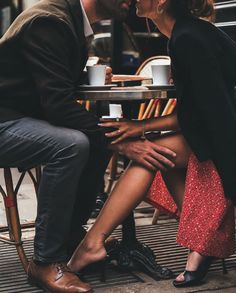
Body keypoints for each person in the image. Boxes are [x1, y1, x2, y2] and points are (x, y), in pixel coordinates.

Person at [0, 0, 178, 292]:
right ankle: (45, 261)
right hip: (5, 122)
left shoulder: (69, 20)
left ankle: (70, 236)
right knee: (71, 144)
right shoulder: (50, 21)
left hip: (20, 116)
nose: (133, 0)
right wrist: (125, 143)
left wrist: (85, 78)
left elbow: (46, 80)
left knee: (94, 138)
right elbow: (57, 104)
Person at [68, 0, 236, 288]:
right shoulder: (184, 35)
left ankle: (91, 245)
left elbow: (213, 112)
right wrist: (141, 127)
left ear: (160, 3)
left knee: (150, 154)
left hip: (226, 130)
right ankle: (202, 241)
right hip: (216, 127)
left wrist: (140, 126)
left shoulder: (188, 39)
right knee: (156, 153)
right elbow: (196, 111)